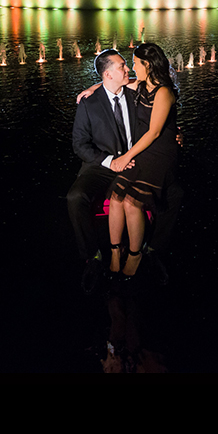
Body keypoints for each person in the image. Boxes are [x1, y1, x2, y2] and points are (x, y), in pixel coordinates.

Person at [104, 43, 178, 277]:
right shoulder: (142, 85)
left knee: (132, 203)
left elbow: (155, 132)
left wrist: (127, 156)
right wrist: (93, 87)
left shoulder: (164, 92)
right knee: (116, 197)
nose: (132, 67)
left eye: (135, 63)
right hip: (142, 150)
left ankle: (135, 255)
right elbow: (115, 83)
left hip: (159, 153)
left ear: (147, 64)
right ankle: (115, 251)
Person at [68, 49, 138, 292]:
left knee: (174, 193)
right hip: (102, 165)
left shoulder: (134, 92)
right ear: (108, 74)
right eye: (122, 66)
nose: (128, 69)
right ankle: (93, 256)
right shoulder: (89, 103)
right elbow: (79, 144)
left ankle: (150, 249)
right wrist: (109, 162)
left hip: (135, 162)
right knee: (75, 198)